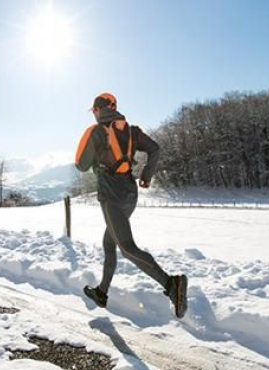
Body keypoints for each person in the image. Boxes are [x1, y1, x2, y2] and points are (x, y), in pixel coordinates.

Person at [74, 92, 188, 318]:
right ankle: (101, 292)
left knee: (126, 248)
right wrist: (147, 175)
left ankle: (171, 284)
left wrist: (96, 153)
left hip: (111, 196)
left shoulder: (95, 131)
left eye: (94, 111)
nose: (94, 114)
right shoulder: (132, 131)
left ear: (98, 110)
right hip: (130, 194)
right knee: (109, 242)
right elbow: (155, 148)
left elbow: (81, 165)